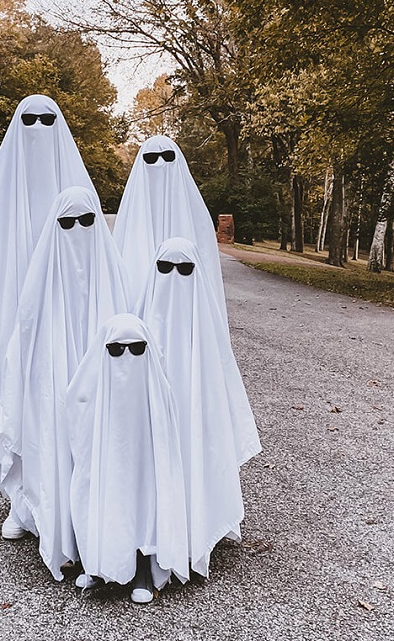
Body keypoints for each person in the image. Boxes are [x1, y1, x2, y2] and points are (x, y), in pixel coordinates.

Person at [0, 95, 98, 539]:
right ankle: (20, 500)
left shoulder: (76, 189)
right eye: (28, 119)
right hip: (11, 316)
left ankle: (67, 505)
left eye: (46, 120)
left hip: (66, 322)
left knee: (60, 406)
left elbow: (93, 263)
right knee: (14, 404)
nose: (37, 127)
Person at [0, 186, 130, 579]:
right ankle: (29, 507)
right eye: (67, 223)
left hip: (101, 377)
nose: (77, 229)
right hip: (50, 375)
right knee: (47, 434)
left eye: (87, 221)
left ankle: (103, 525)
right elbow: (25, 332)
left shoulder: (112, 272)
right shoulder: (41, 277)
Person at [137, 237, 261, 577]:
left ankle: (194, 527)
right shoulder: (140, 325)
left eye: (184, 270)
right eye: (165, 268)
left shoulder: (207, 335)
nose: (174, 277)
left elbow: (219, 396)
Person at [66, 313, 189, 603]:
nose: (127, 356)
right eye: (116, 350)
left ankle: (142, 566)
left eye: (136, 349)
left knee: (143, 501)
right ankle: (96, 561)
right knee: (98, 492)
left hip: (142, 458)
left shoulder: (157, 394)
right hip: (106, 457)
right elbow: (76, 403)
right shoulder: (94, 389)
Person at [113, 135, 224, 308]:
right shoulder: (130, 214)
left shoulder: (197, 214)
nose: (159, 164)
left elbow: (207, 262)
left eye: (167, 157)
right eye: (151, 158)